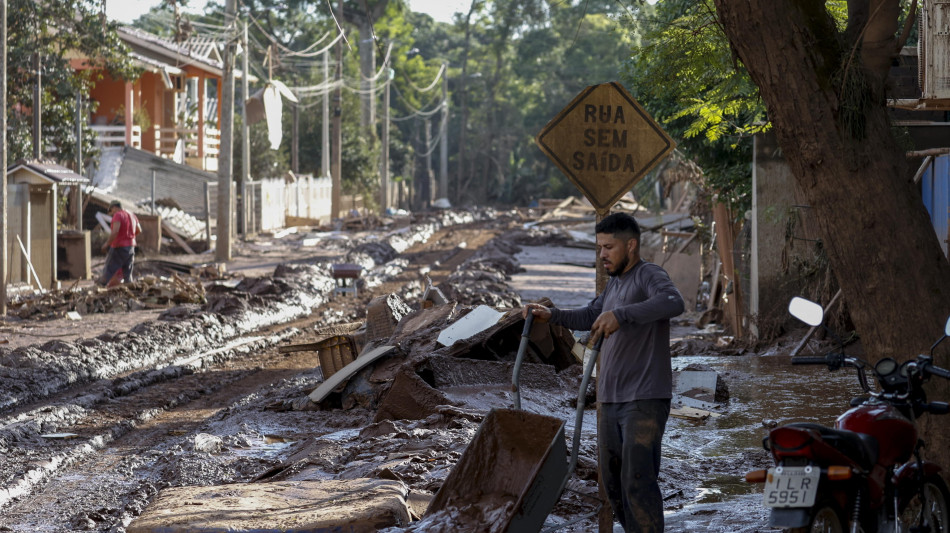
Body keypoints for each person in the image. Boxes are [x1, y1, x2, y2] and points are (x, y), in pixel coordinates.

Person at [522, 212, 684, 533]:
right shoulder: (614, 285)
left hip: (645, 398)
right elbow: (590, 316)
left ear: (631, 245)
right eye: (599, 248)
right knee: (613, 484)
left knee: (637, 480)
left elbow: (673, 301)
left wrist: (622, 316)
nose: (602, 255)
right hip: (610, 400)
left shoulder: (648, 274)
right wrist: (551, 315)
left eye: (608, 247)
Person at [99, 200, 142, 286]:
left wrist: (106, 244)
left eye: (111, 210)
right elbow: (139, 230)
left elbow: (115, 232)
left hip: (119, 247)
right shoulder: (132, 215)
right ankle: (129, 290)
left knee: (108, 270)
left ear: (115, 207)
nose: (111, 213)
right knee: (127, 274)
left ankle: (98, 288)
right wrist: (129, 237)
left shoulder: (118, 215)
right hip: (131, 248)